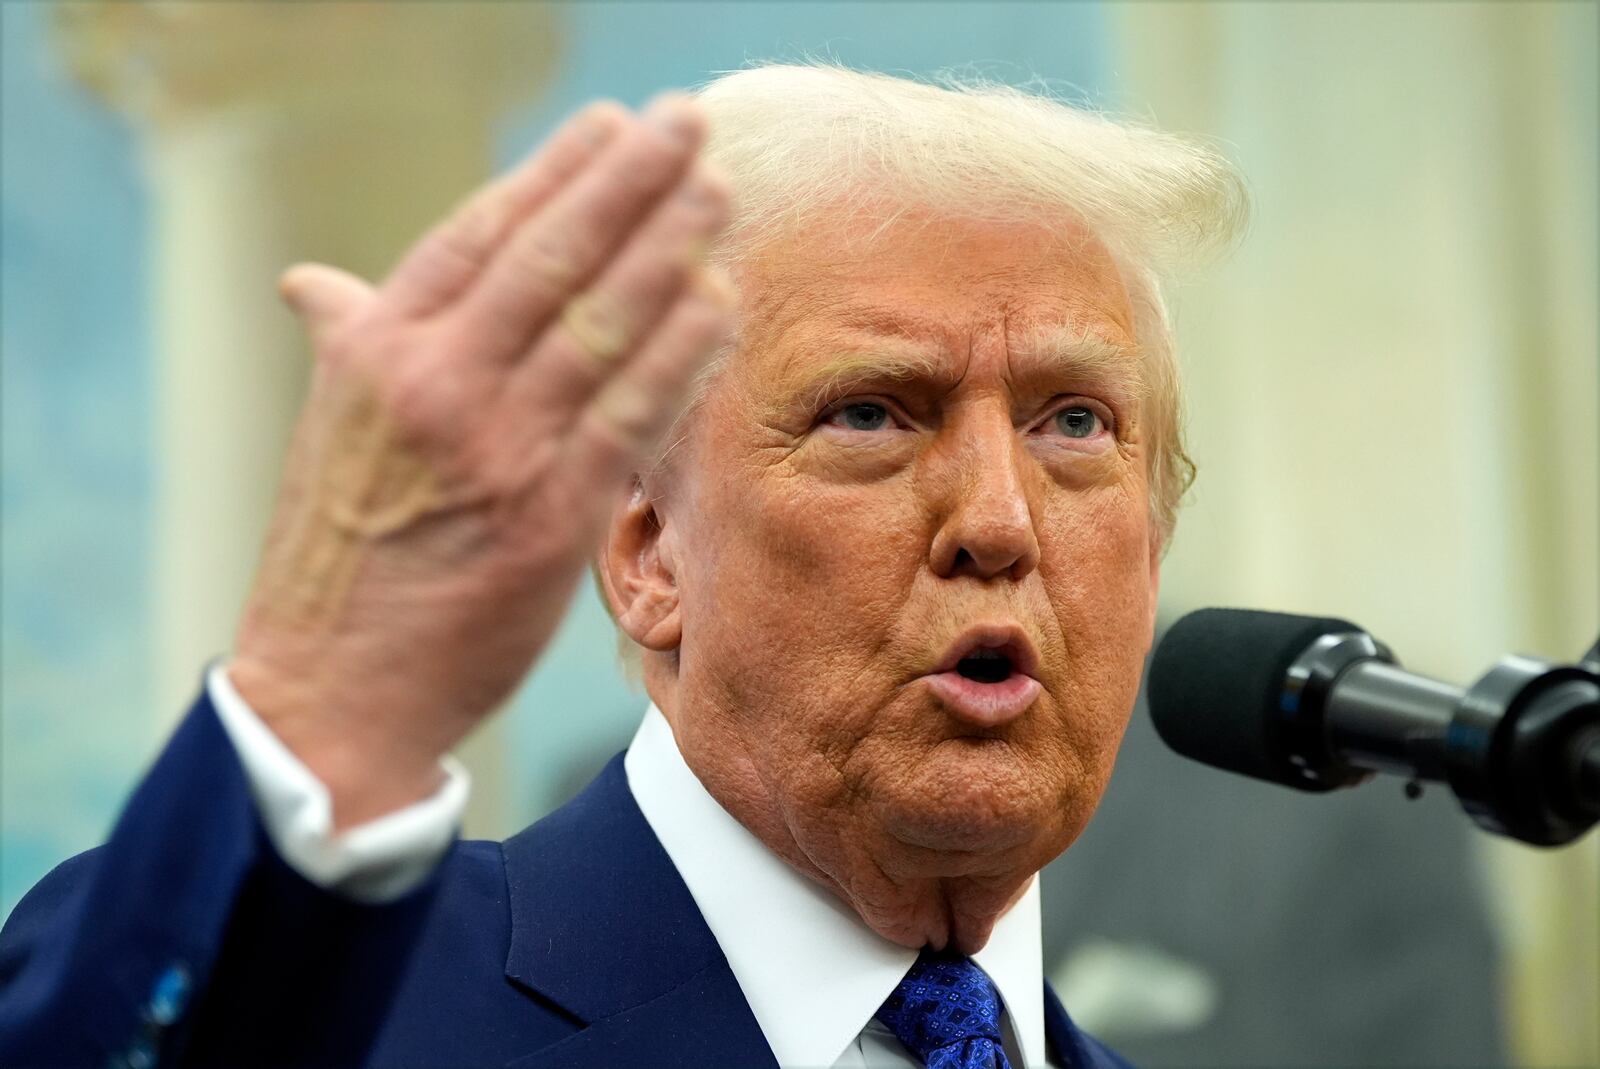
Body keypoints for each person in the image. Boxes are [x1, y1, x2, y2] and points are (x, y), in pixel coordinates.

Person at [0, 64, 1245, 1068]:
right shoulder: (349, 1009)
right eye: (871, 412)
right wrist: (321, 703)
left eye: (1074, 422)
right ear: (649, 551)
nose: (999, 519)